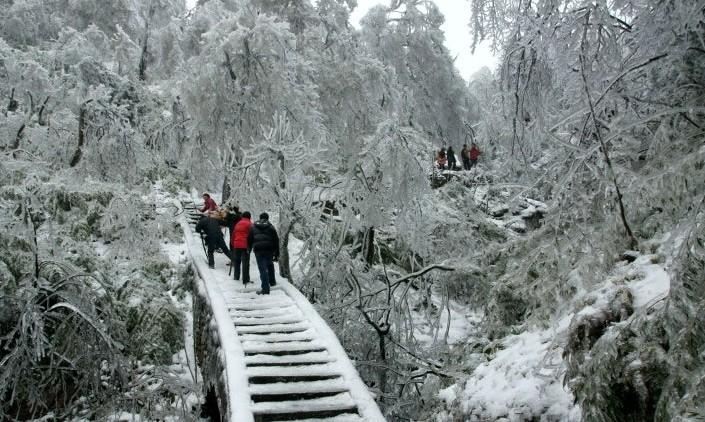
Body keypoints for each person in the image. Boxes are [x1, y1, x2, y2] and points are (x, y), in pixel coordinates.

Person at [247, 212, 280, 295]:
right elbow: (276, 240)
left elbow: (249, 239)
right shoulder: (271, 227)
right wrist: (277, 253)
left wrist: (248, 249)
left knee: (262, 269)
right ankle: (272, 282)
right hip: (269, 249)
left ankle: (265, 289)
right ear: (267, 218)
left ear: (260, 218)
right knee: (269, 264)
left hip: (259, 250)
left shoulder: (253, 227)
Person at [230, 211, 252, 285]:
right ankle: (245, 280)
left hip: (236, 245)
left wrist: (233, 244)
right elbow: (252, 235)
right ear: (249, 217)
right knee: (245, 262)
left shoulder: (238, 224)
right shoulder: (249, 224)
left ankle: (236, 277)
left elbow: (233, 234)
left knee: (237, 261)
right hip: (245, 245)